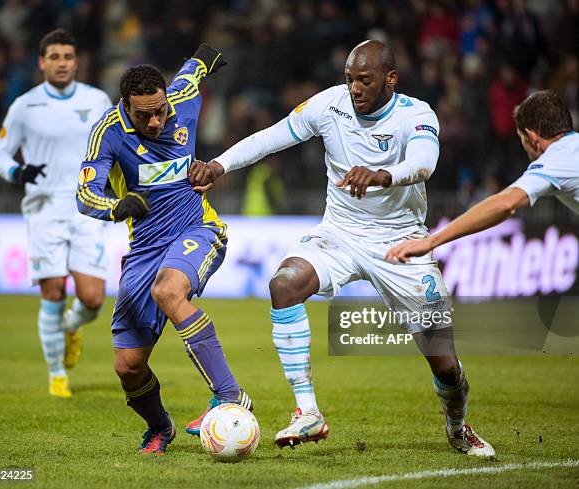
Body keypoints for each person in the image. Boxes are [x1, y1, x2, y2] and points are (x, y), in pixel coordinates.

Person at [190, 40, 494, 456]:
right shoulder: (329, 105)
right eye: (350, 79)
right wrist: (219, 165)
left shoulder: (416, 114)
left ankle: (457, 427)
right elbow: (271, 137)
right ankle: (308, 411)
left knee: (444, 362)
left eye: (364, 80)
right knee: (285, 285)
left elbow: (424, 163)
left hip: (402, 242)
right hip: (341, 233)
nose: (354, 88)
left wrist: (382, 175)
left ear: (390, 79)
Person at [76, 45, 251, 454]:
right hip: (144, 249)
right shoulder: (108, 132)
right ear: (125, 107)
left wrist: (210, 53)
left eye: (161, 112)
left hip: (197, 229)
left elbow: (195, 67)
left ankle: (230, 396)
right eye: (144, 116)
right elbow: (85, 193)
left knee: (168, 290)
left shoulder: (182, 100)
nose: (156, 121)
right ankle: (160, 427)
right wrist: (115, 207)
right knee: (128, 366)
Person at [0, 29, 111, 398]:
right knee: (53, 289)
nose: (62, 63)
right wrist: (17, 172)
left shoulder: (98, 100)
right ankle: (57, 375)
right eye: (54, 57)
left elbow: (114, 146)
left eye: (68, 57)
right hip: (43, 209)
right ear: (42, 62)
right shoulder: (25, 106)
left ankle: (73, 327)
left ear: (77, 62)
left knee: (92, 299)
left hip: (87, 208)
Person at [385, 89, 578, 262]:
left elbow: (506, 204)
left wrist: (432, 241)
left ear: (532, 137)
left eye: (522, 140)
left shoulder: (556, 158)